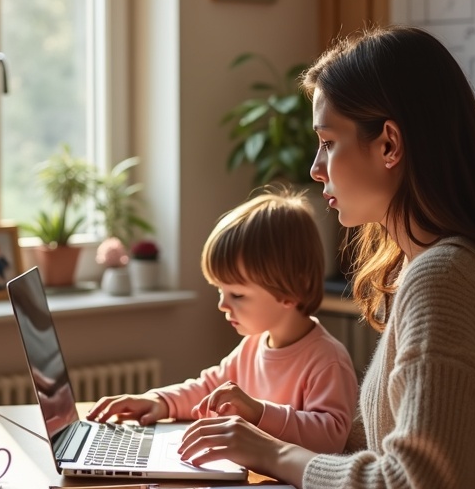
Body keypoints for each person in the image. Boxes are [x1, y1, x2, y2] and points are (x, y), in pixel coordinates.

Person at [177, 26, 475, 489]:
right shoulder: (446, 267)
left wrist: (272, 453)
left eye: (328, 142)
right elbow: (375, 456)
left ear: (388, 144)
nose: (315, 168)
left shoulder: (445, 281)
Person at [87, 190, 358, 454]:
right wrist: (159, 401)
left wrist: (258, 412)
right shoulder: (252, 347)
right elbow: (208, 389)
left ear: (292, 289)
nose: (222, 305)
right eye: (220, 291)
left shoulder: (327, 360)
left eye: (237, 294)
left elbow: (330, 438)